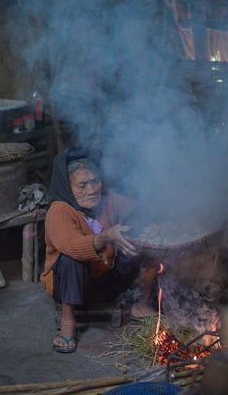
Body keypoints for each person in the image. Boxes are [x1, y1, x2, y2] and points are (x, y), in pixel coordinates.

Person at [40, 146, 159, 353]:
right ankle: (68, 322)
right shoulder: (59, 210)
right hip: (74, 286)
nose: (92, 189)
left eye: (95, 181)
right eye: (82, 185)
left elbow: (138, 210)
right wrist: (107, 236)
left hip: (109, 282)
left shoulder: (107, 200)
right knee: (70, 258)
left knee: (144, 240)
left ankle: (141, 304)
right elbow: (72, 245)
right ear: (67, 187)